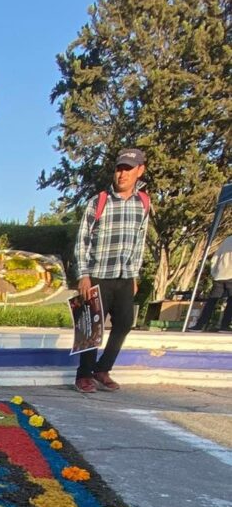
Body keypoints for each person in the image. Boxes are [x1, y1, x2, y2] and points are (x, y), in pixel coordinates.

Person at [73, 148, 150, 394]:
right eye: (119, 168)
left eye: (128, 169)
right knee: (91, 327)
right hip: (98, 273)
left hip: (124, 275)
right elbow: (82, 239)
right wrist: (83, 274)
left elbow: (140, 241)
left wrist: (135, 274)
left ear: (140, 171)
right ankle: (84, 375)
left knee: (125, 322)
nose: (122, 174)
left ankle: (102, 368)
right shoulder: (99, 201)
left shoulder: (143, 203)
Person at [195, 234, 232, 331]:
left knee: (211, 301)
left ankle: (200, 325)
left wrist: (214, 272)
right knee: (230, 303)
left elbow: (215, 258)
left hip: (220, 275)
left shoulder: (227, 240)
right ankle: (224, 326)